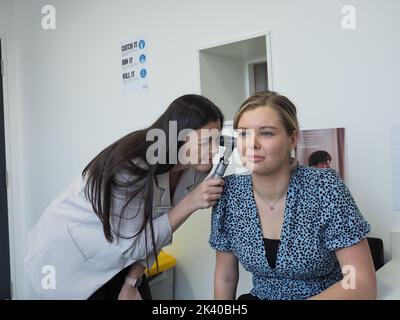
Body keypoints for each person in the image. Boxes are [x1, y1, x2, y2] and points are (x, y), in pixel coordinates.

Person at [25, 94, 225, 299]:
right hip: (66, 262)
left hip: (121, 255)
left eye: (217, 141)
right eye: (206, 141)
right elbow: (136, 243)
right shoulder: (130, 168)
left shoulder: (196, 168)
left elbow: (161, 231)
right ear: (178, 137)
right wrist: (189, 204)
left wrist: (132, 281)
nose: (214, 150)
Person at [210, 91, 376, 300]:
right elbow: (225, 278)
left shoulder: (325, 187)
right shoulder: (229, 193)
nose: (252, 144)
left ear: (293, 139)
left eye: (267, 133)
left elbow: (361, 282)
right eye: (244, 134)